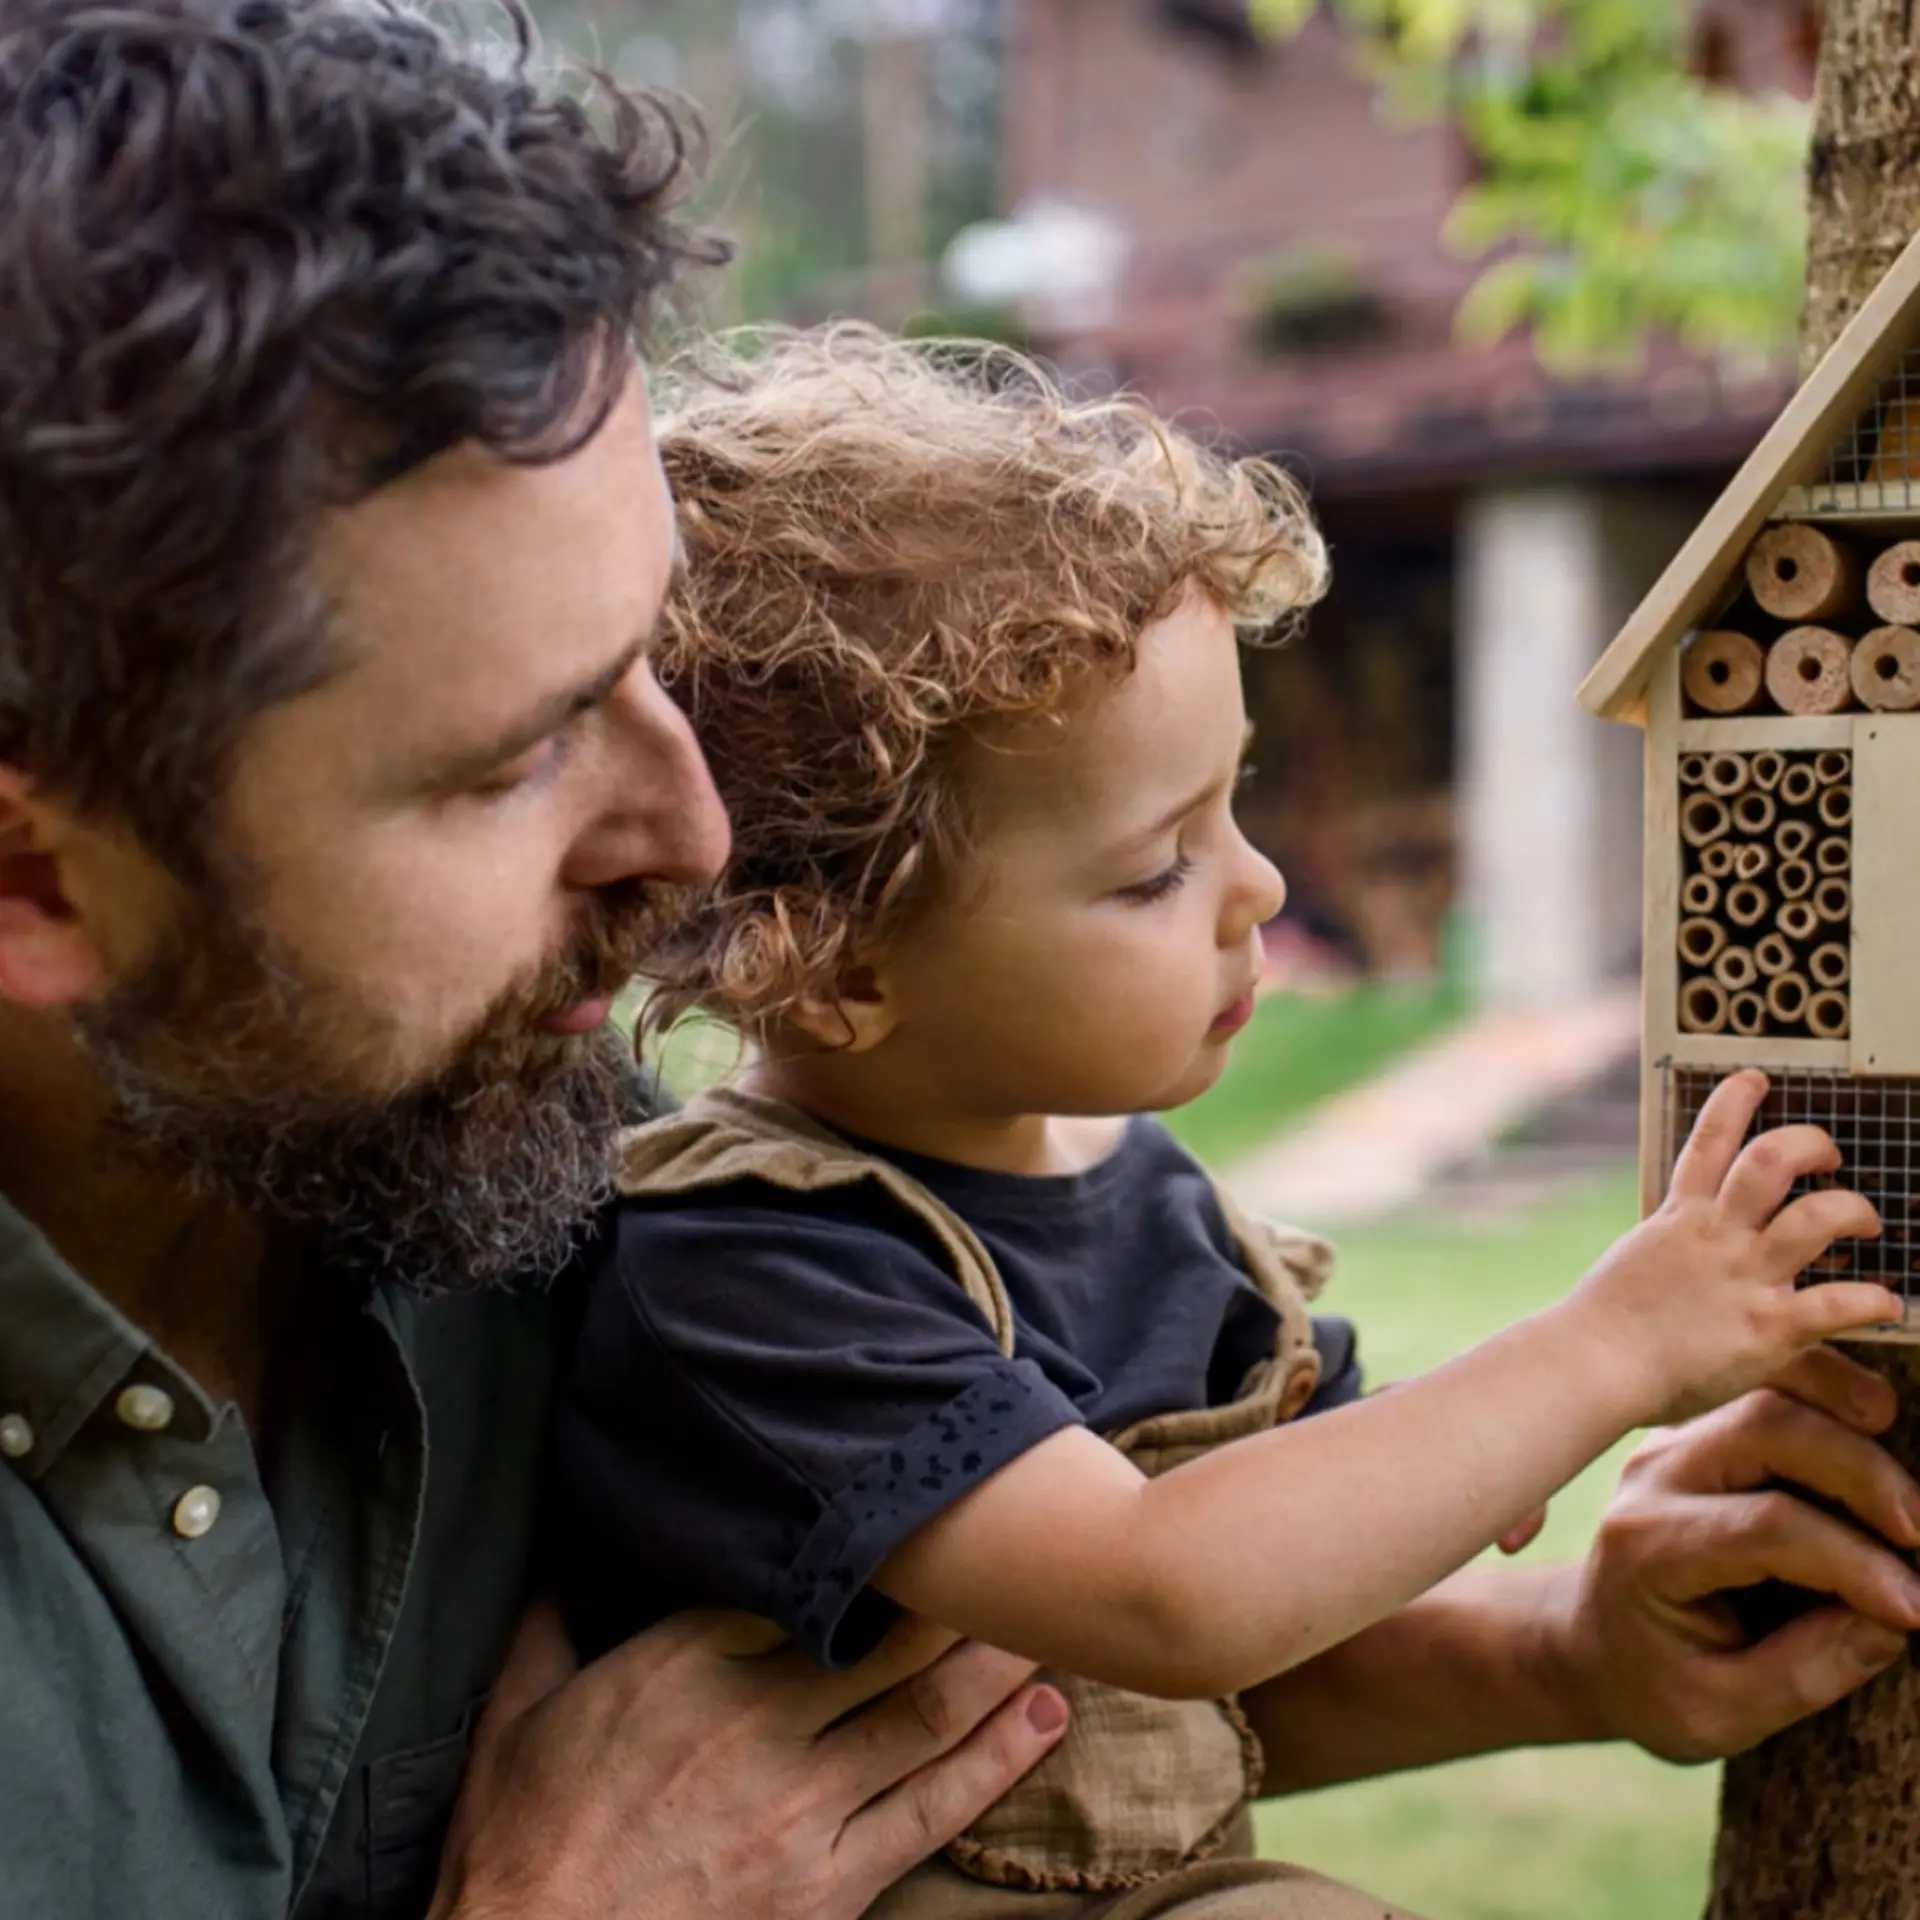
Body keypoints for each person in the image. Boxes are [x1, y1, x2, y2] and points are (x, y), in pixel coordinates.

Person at [0, 5, 1915, 1919]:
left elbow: (1053, 1707)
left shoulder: (502, 1137)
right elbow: (1153, 1592)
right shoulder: (738, 1258)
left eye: (652, 671)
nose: (698, 852)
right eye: (513, 755)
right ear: (37, 872)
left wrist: (1563, 1653)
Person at [545, 329, 1909, 1917]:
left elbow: (1264, 1639)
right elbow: (1165, 1591)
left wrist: (1561, 1617)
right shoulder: (747, 1263)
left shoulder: (1148, 1201)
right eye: (1154, 868)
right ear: (838, 967)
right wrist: (1607, 1351)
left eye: (1235, 804)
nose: (1258, 889)